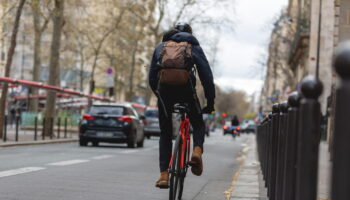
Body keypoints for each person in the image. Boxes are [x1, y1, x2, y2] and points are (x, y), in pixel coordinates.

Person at [149, 23, 215, 188]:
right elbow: (206, 76)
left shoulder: (161, 46)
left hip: (165, 91)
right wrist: (210, 102)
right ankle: (197, 151)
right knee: (198, 123)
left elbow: (151, 76)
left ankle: (164, 176)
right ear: (189, 34)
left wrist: (159, 94)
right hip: (186, 90)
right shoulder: (193, 46)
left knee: (165, 132)